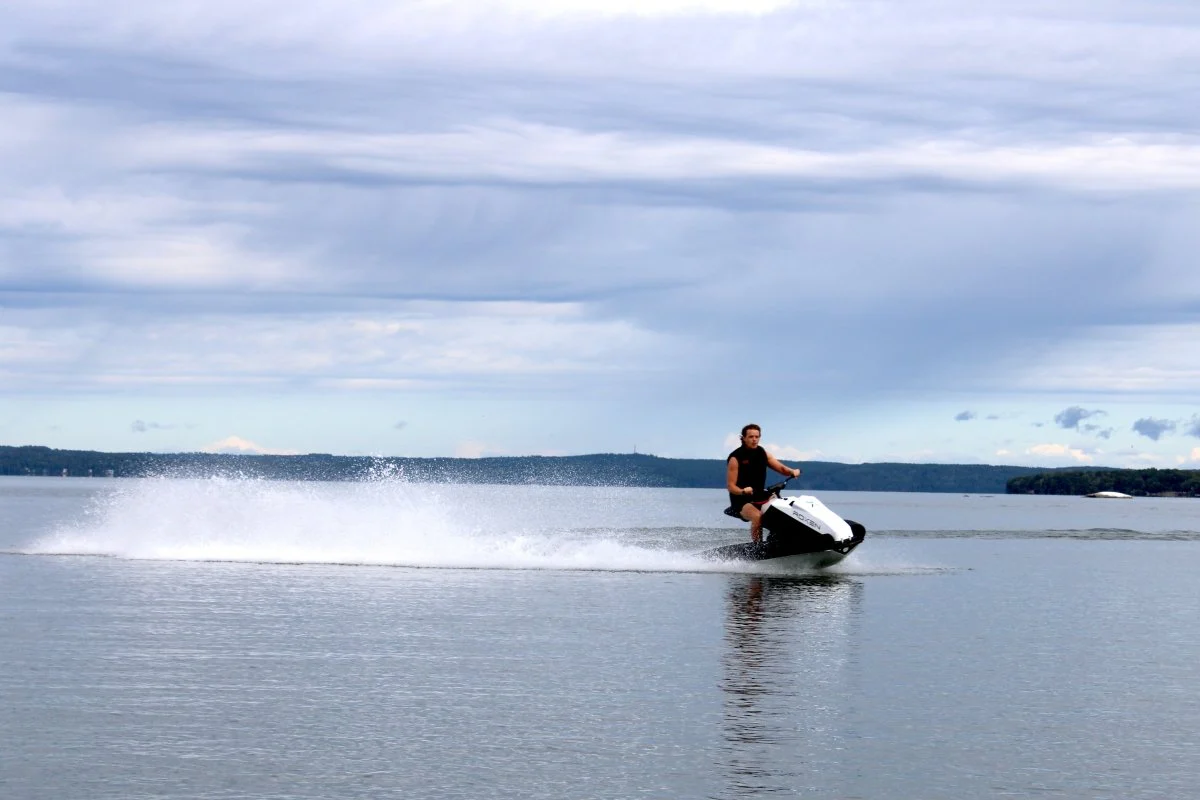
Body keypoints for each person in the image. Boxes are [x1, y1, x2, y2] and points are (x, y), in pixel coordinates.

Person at [726, 424, 801, 543]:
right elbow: (731, 486)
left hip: (760, 495)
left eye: (757, 436)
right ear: (743, 438)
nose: (754, 439)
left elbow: (782, 469)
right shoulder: (735, 458)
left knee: (782, 511)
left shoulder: (763, 453)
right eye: (751, 437)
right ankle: (757, 547)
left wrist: (792, 471)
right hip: (741, 499)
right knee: (757, 516)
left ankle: (781, 539)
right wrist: (742, 491)